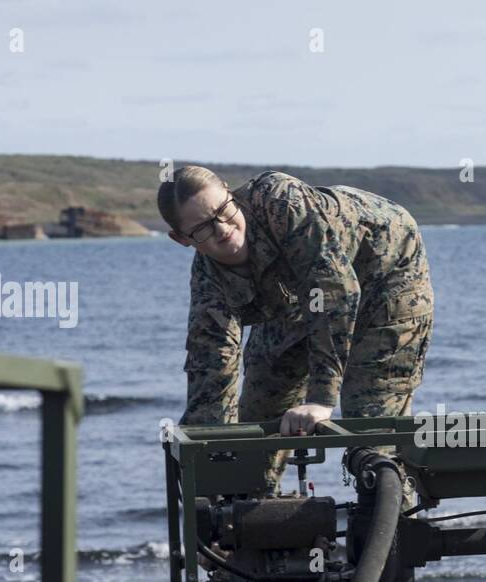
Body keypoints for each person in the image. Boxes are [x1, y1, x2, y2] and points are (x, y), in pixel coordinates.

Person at [158, 166, 434, 500]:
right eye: (203, 228)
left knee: (369, 423)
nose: (223, 229)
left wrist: (320, 399)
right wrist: (205, 470)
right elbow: (210, 367)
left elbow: (334, 290)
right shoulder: (209, 283)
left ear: (231, 194)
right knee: (259, 403)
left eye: (223, 210)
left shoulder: (280, 200)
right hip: (303, 295)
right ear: (182, 239)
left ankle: (389, 534)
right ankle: (249, 521)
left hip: (386, 274)